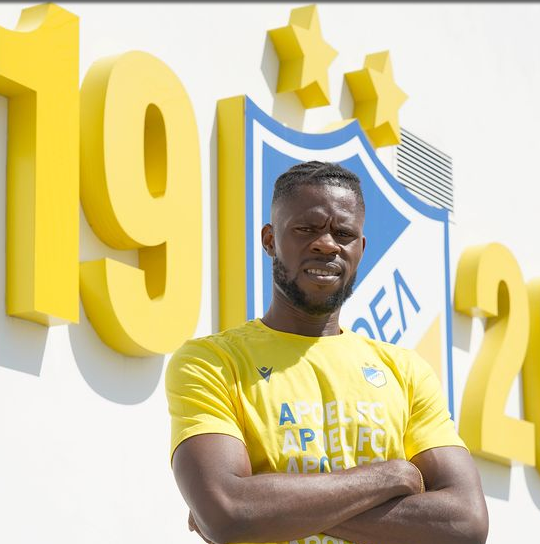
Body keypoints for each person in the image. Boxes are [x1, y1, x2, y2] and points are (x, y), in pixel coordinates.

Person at [166, 161, 489, 544]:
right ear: (269, 240)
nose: (327, 244)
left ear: (361, 248)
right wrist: (392, 477)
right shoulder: (213, 362)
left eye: (344, 233)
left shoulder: (406, 372)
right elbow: (230, 513)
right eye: (306, 229)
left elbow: (465, 524)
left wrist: (271, 510)